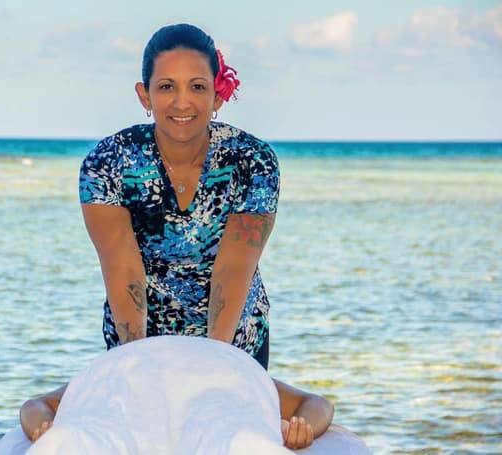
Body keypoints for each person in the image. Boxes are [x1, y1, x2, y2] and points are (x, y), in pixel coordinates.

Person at [21, 23, 333, 451]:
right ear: (144, 95)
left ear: (217, 95)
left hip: (231, 347)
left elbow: (234, 267)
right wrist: (143, 373)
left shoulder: (254, 163)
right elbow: (122, 268)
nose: (182, 102)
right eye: (167, 86)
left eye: (197, 86)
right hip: (139, 347)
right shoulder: (107, 163)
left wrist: (210, 370)